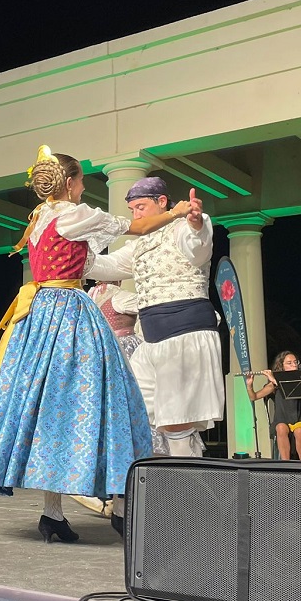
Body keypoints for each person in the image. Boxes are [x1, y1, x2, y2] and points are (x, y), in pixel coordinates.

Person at [0, 145, 191, 542]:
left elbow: (81, 260)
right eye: (81, 179)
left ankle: (54, 513)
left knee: (49, 406)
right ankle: (119, 508)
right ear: (69, 182)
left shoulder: (41, 216)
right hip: (68, 310)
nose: (85, 185)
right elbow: (138, 227)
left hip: (37, 313)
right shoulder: (75, 213)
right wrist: (176, 212)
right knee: (106, 398)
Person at [87, 175, 222, 458]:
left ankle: (185, 492)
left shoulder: (184, 226)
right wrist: (68, 254)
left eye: (141, 207)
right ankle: (167, 483)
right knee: (131, 406)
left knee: (177, 421)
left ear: (162, 202)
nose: (136, 215)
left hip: (184, 333)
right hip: (152, 340)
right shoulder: (140, 244)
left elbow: (198, 245)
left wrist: (196, 221)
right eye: (133, 209)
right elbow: (107, 266)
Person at [245, 350, 301, 461]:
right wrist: (249, 385)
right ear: (282, 366)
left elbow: (291, 389)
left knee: (299, 430)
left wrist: (274, 379)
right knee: (281, 428)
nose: (294, 365)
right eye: (289, 363)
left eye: (295, 362)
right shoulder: (274, 384)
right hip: (283, 419)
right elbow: (254, 397)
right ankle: (285, 464)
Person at [88, 279, 140, 357]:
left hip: (102, 345)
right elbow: (148, 305)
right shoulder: (120, 297)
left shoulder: (92, 297)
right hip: (122, 345)